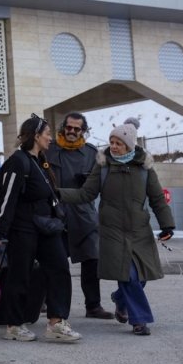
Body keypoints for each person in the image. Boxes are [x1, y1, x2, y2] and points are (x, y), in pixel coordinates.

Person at [59, 123, 175, 336]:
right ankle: (139, 320)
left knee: (141, 276)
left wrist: (167, 224)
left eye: (118, 143)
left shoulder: (144, 168)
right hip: (112, 230)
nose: (113, 146)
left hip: (139, 229)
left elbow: (157, 198)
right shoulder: (103, 167)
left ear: (129, 145)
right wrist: (58, 194)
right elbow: (86, 194)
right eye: (111, 142)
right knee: (128, 276)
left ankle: (120, 299)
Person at [0, 114, 82, 342]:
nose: (51, 138)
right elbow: (7, 199)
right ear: (36, 136)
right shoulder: (18, 161)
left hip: (46, 227)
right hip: (23, 229)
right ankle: (14, 324)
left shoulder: (40, 161)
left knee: (60, 267)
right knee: (20, 275)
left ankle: (56, 322)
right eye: (48, 134)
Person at [45, 111, 114, 319]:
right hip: (55, 214)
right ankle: (46, 302)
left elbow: (105, 184)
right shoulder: (48, 150)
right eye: (69, 127)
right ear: (63, 128)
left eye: (77, 128)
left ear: (84, 130)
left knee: (92, 261)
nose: (72, 131)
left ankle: (93, 306)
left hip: (84, 216)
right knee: (53, 262)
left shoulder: (93, 154)